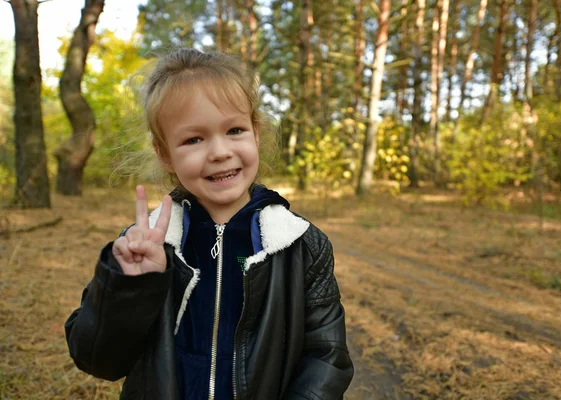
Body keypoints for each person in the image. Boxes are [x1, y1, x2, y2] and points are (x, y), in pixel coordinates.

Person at [64, 49, 354, 400]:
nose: (219, 152)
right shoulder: (145, 245)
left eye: (234, 130)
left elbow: (327, 356)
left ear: (255, 133)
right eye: (193, 139)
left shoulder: (300, 245)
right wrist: (129, 286)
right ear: (164, 153)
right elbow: (98, 360)